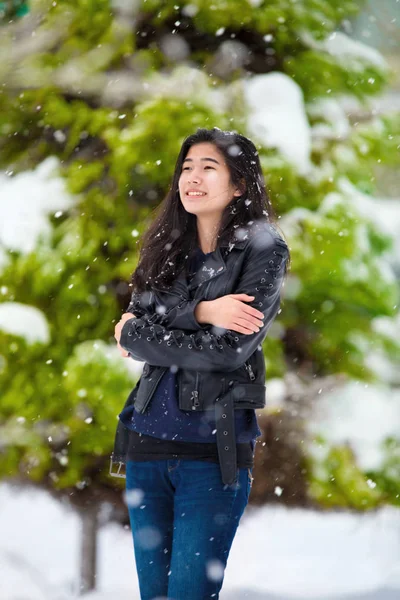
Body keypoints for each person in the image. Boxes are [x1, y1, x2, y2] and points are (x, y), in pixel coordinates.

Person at [112, 127, 290, 600]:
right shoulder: (166, 247)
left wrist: (153, 330)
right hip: (145, 446)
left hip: (212, 457)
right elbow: (130, 333)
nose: (192, 177)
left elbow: (228, 350)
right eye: (186, 168)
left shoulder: (263, 248)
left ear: (238, 185)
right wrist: (204, 313)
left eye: (208, 167)